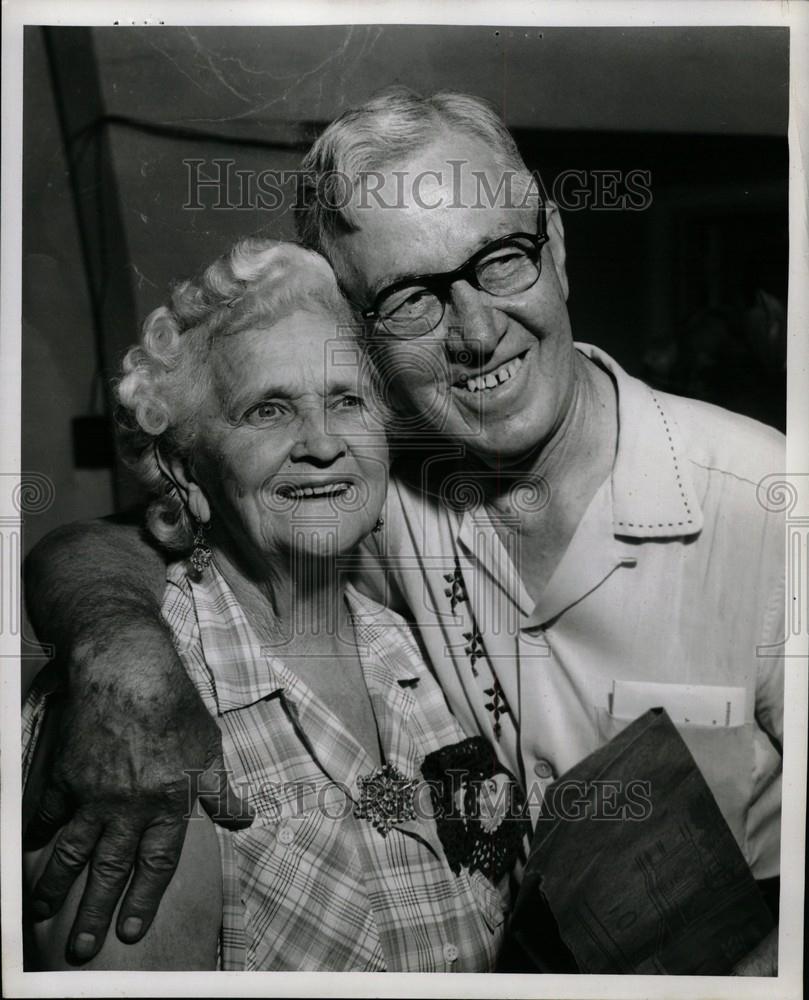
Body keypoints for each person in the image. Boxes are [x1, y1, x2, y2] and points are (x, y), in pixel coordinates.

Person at [24, 89, 785, 973]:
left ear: (557, 247)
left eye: (500, 260)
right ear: (368, 332)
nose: (475, 331)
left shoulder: (767, 501)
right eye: (411, 299)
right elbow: (118, 541)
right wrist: (119, 649)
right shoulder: (367, 490)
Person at [22, 238, 523, 970]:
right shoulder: (135, 718)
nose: (321, 443)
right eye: (268, 410)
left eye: (346, 401)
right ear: (184, 469)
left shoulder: (418, 647)